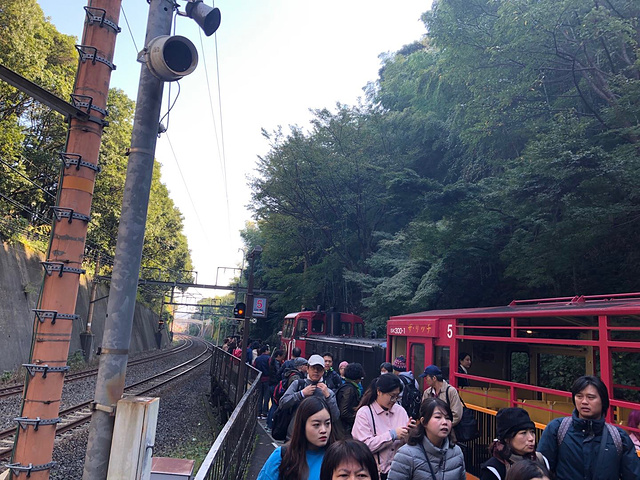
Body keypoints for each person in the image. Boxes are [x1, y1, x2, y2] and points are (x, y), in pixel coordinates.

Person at [537, 375, 640, 480]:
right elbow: (540, 471)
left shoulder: (619, 438)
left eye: (591, 397)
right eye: (579, 396)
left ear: (603, 401)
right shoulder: (557, 429)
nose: (584, 402)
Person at [257, 396, 338, 480]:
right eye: (316, 425)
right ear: (302, 426)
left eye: (327, 423)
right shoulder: (283, 456)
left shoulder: (338, 457)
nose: (323, 430)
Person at [352, 374, 415, 480]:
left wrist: (411, 433)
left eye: (397, 396)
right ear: (379, 391)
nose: (394, 400)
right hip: (374, 473)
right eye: (392, 396)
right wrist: (392, 435)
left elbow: (408, 446)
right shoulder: (365, 413)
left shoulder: (400, 411)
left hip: (400, 472)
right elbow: (363, 447)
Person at [387, 397, 465, 480]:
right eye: (438, 417)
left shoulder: (456, 452)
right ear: (424, 421)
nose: (444, 422)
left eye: (448, 418)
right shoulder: (406, 455)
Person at [279, 354, 340, 440]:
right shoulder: (298, 384)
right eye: (313, 368)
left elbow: (335, 417)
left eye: (319, 369)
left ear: (323, 371)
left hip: (317, 439)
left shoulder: (328, 392)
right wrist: (301, 394)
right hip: (295, 437)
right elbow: (282, 403)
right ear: (307, 369)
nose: (316, 371)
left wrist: (328, 397)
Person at [479, 408, 548, 480]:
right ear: (507, 438)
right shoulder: (494, 469)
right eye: (523, 433)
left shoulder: (541, 460)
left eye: (532, 432)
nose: (531, 438)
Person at [336, 363, 366, 436]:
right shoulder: (349, 390)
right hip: (345, 428)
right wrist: (357, 419)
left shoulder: (347, 386)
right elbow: (344, 412)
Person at [266, 349, 286, 430]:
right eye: (282, 356)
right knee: (275, 405)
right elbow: (278, 373)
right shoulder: (277, 363)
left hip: (271, 384)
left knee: (273, 405)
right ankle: (270, 424)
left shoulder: (272, 361)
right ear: (278, 356)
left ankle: (268, 423)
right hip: (275, 385)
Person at [254, 345, 272, 418]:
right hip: (267, 379)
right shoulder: (269, 358)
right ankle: (265, 412)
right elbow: (271, 368)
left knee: (260, 396)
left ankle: (258, 412)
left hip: (259, 379)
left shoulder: (257, 359)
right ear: (266, 351)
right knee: (266, 397)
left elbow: (254, 367)